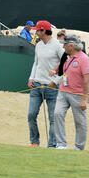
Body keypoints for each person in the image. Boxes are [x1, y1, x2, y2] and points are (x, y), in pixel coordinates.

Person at [27, 20, 64, 148]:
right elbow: (36, 63)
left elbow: (65, 63)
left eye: (37, 30)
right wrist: (31, 78)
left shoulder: (58, 45)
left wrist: (56, 81)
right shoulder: (38, 45)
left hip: (52, 87)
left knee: (53, 119)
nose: (35, 32)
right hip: (37, 86)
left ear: (44, 31)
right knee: (31, 115)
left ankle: (52, 145)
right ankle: (34, 142)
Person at [54, 35, 89, 150]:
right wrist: (54, 70)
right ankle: (61, 144)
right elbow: (63, 69)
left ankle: (79, 147)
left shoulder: (84, 59)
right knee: (57, 114)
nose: (63, 46)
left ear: (71, 46)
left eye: (64, 44)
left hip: (77, 95)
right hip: (63, 91)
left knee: (80, 121)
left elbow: (87, 80)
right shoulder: (67, 57)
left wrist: (84, 99)